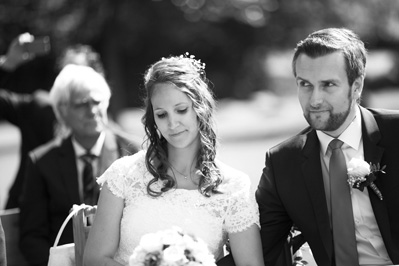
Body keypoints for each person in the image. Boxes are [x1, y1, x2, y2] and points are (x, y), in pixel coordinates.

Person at [83, 54, 264, 266]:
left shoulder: (233, 186)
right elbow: (94, 259)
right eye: (161, 114)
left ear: (200, 107)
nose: (172, 123)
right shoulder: (123, 174)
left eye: (181, 110)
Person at [256, 27, 399, 266]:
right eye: (305, 84)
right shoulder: (282, 162)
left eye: (328, 85)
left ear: (357, 86)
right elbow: (263, 249)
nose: (314, 100)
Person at [19, 64, 141, 266]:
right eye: (81, 104)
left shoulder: (134, 153)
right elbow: (32, 237)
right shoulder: (41, 162)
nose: (92, 110)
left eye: (97, 101)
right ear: (62, 111)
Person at [1, 32, 107, 209]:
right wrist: (8, 63)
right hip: (27, 214)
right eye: (65, 74)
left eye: (78, 74)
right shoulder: (38, 109)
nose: (70, 83)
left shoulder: (105, 128)